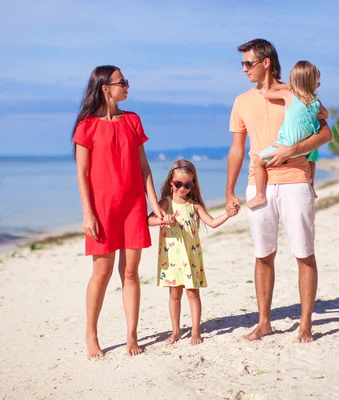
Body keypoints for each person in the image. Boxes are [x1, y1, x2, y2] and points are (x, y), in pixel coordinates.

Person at [227, 39, 332, 343]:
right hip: (257, 182)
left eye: (249, 63)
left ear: (266, 62)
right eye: (243, 64)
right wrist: (229, 190)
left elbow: (326, 132)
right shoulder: (241, 101)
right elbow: (236, 150)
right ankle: (264, 323)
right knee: (263, 255)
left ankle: (305, 325)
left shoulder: (297, 92)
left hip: (296, 179)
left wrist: (294, 149)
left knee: (304, 253)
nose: (244, 69)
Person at [72, 65, 167, 358]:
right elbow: (83, 174)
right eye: (122, 82)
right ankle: (91, 335)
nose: (127, 85)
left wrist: (154, 203)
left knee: (130, 272)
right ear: (105, 88)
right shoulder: (86, 126)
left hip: (132, 207)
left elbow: (143, 166)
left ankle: (131, 336)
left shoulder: (133, 120)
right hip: (102, 209)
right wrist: (88, 214)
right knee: (101, 274)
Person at [148, 160, 236, 345]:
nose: (182, 188)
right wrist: (164, 218)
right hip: (171, 257)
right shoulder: (165, 203)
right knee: (174, 294)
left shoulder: (194, 205)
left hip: (191, 257)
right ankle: (176, 331)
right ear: (171, 182)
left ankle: (196, 330)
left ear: (192, 185)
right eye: (178, 184)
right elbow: (148, 221)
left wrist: (228, 213)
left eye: (187, 185)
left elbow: (211, 222)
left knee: (193, 293)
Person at [246, 60, 329, 210]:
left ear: (294, 81)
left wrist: (287, 86)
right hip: (304, 147)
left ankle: (259, 195)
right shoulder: (316, 101)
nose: (319, 84)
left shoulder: (288, 94)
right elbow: (326, 115)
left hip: (286, 144)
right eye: (317, 81)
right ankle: (311, 187)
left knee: (258, 161)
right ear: (312, 82)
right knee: (311, 161)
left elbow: (267, 94)